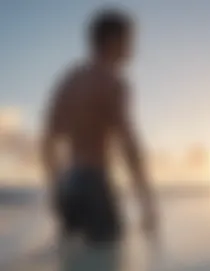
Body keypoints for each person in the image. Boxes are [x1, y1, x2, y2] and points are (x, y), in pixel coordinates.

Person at [41, 8, 157, 245]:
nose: (133, 48)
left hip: (68, 183)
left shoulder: (69, 80)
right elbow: (128, 145)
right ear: (114, 41)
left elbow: (47, 140)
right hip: (94, 181)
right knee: (107, 266)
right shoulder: (113, 82)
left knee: (73, 266)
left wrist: (56, 188)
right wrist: (146, 202)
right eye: (130, 40)